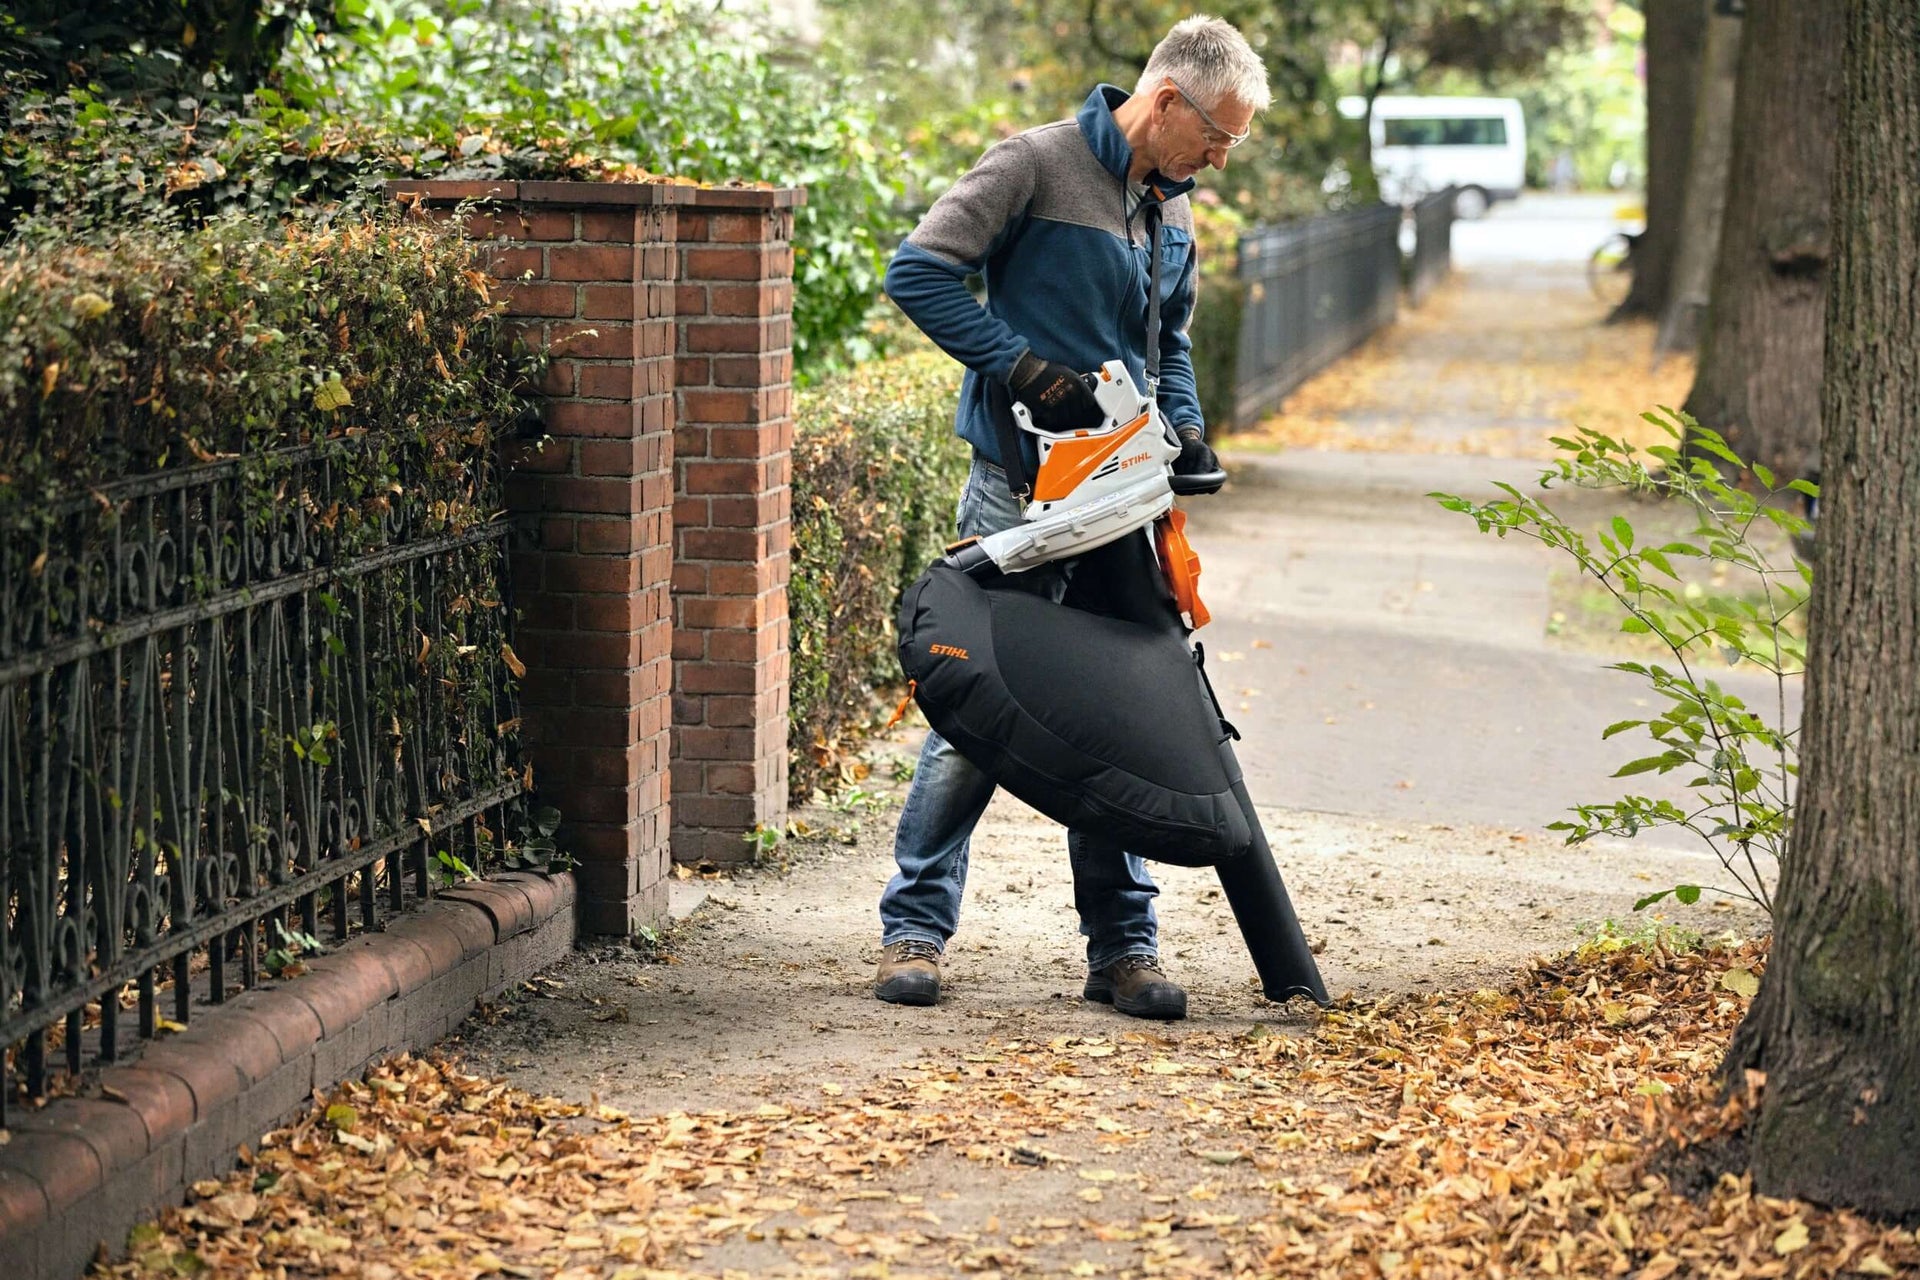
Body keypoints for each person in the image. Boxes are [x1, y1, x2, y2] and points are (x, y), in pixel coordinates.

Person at [873, 15, 1269, 1021]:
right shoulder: (1035, 166)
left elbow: (1167, 339)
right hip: (1018, 491)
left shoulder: (1169, 206)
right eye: (1217, 135)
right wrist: (1017, 366)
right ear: (1167, 99)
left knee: (1121, 714)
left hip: (1120, 498)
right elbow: (917, 271)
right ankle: (914, 929)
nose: (1220, 159)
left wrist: (1187, 426)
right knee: (975, 709)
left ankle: (1123, 949)